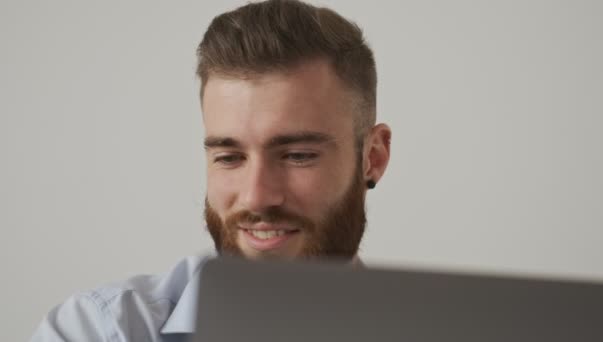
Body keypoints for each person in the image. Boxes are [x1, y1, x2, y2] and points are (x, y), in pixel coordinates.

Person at [31, 0, 391, 340]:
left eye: (297, 155)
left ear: (372, 158)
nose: (256, 196)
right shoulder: (101, 331)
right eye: (229, 157)